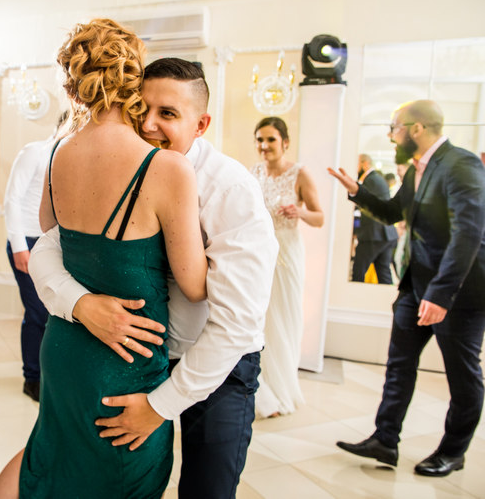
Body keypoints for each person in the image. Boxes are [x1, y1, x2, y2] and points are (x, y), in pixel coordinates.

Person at [27, 57, 278, 498]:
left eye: (168, 114)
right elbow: (50, 244)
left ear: (201, 125)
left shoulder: (231, 189)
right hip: (141, 361)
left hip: (219, 364)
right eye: (140, 109)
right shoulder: (120, 162)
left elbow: (236, 323)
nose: (148, 124)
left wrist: (160, 406)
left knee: (207, 489)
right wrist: (79, 303)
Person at [0, 20, 207, 499]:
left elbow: (51, 233)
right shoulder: (168, 167)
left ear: (73, 86)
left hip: (65, 348)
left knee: (50, 458)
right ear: (134, 78)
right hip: (124, 362)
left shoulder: (58, 154)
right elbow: (194, 285)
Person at [331, 100, 485, 477]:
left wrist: (440, 295)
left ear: (417, 129)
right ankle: (385, 439)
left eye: (395, 127)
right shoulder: (418, 170)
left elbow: (469, 234)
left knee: (463, 376)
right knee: (399, 366)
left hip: (460, 294)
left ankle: (453, 451)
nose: (391, 135)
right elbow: (391, 213)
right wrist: (357, 191)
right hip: (415, 287)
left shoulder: (462, 164)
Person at [250, 116, 323, 418]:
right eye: (260, 139)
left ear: (285, 142)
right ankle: (260, 390)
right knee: (261, 319)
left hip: (287, 254)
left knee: (283, 318)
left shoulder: (299, 174)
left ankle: (281, 390)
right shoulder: (254, 172)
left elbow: (319, 217)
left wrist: (300, 212)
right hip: (259, 254)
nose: (264, 145)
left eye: (270, 139)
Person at [3, 112, 67, 402]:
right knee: (37, 312)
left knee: (54, 313)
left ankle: (51, 375)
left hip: (56, 244)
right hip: (27, 241)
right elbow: (12, 198)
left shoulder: (73, 160)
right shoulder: (35, 152)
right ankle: (32, 378)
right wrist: (19, 246)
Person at [351, 154, 398, 284]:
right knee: (383, 273)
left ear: (365, 164)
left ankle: (353, 295)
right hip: (385, 234)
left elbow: (364, 202)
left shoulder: (371, 180)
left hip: (374, 234)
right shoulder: (377, 178)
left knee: (358, 271)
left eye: (357, 164)